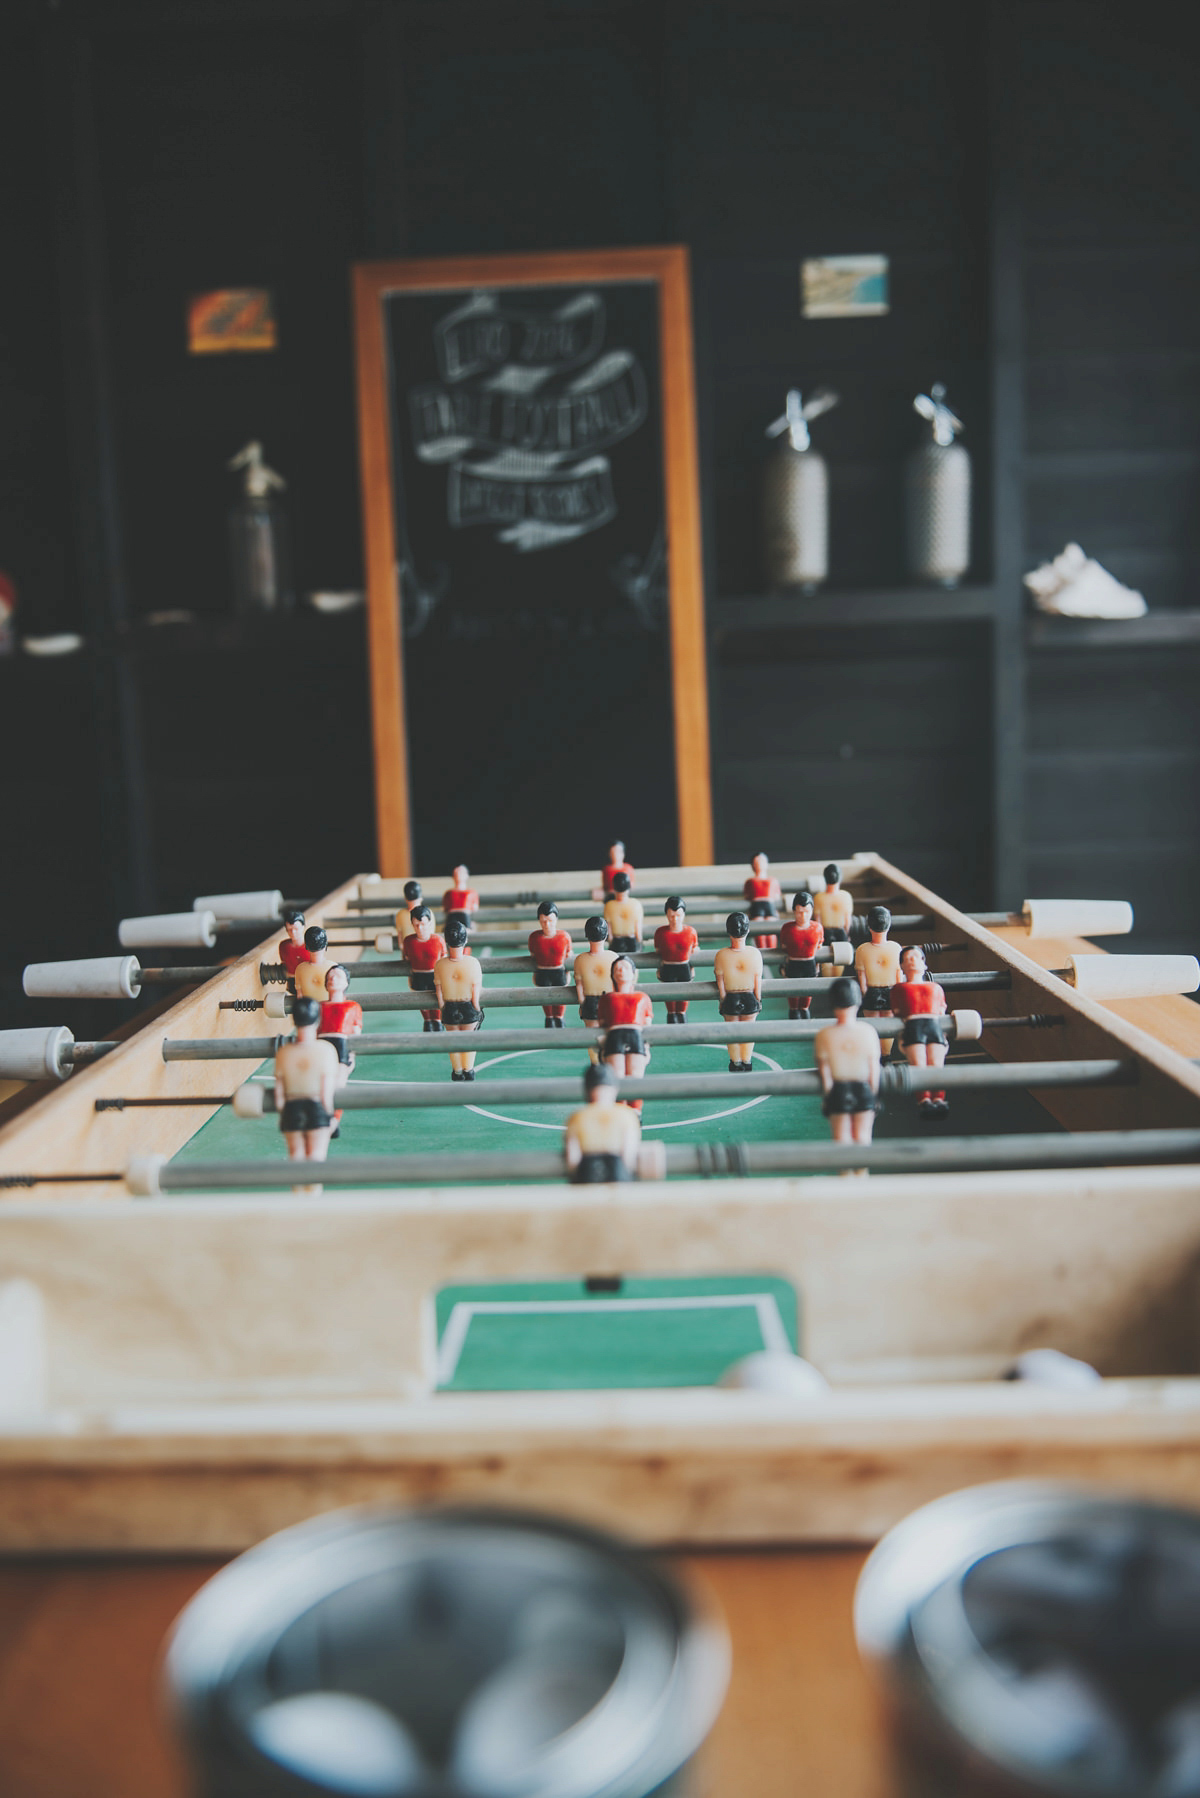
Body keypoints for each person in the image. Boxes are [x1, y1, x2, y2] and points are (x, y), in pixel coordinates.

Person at [814, 977, 882, 1159]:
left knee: (841, 1139)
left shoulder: (825, 1034)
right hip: (863, 1088)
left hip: (838, 1089)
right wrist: (873, 1093)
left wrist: (828, 1095)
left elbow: (825, 1071)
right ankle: (860, 1179)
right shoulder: (868, 1031)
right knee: (862, 1138)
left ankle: (847, 1178)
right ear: (858, 1002)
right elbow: (873, 1069)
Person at [274, 996, 340, 1165]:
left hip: (292, 1107)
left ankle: (298, 1190)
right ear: (318, 1020)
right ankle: (312, 1191)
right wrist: (330, 1116)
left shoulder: (284, 1052)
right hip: (316, 1106)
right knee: (316, 1156)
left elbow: (279, 1095)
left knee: (296, 1155)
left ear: (294, 1020)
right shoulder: (326, 1050)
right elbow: (326, 1093)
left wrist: (284, 1113)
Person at [890, 943, 949, 1116]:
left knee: (936, 1065)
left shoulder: (935, 988)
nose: (913, 961)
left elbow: (941, 1011)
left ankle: (938, 1098)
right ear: (902, 966)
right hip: (913, 1027)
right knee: (919, 1065)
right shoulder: (899, 989)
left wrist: (943, 1035)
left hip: (933, 1026)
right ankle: (924, 1100)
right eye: (908, 959)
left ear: (924, 963)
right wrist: (901, 1036)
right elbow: (897, 1012)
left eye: (917, 957)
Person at [564, 1062, 642, 1184]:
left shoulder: (577, 1116)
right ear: (615, 1089)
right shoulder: (626, 1115)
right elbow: (629, 1154)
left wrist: (575, 1176)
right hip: (617, 1171)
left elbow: (572, 1157)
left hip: (587, 1172)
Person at [598, 956, 654, 1101]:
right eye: (617, 968)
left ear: (634, 973)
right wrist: (603, 1047)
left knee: (635, 1078)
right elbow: (602, 1025)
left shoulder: (642, 997)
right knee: (616, 1078)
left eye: (625, 967)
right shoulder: (606, 999)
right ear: (612, 975)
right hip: (614, 1038)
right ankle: (620, 1110)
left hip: (635, 1037)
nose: (621, 971)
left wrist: (646, 1047)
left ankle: (636, 1112)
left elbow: (647, 1026)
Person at [435, 918, 484, 1080]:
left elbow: (439, 990)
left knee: (453, 1042)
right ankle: (468, 1069)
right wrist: (476, 1007)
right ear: (466, 940)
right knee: (469, 1040)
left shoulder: (440, 964)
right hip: (467, 1006)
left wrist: (443, 1007)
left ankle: (457, 1071)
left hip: (449, 1006)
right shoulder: (473, 963)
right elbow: (475, 990)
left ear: (446, 941)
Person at [713, 910, 762, 1072]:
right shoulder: (755, 954)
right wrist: (758, 999)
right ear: (748, 930)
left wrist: (722, 999)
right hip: (749, 996)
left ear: (728, 931)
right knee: (748, 1032)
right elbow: (757, 980)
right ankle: (746, 1060)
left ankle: (735, 1061)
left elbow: (720, 981)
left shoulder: (721, 955)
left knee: (731, 1033)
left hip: (730, 998)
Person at [319, 963, 363, 1138]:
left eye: (337, 976)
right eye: (330, 976)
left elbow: (356, 1034)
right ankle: (326, 1117)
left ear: (346, 982)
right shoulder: (319, 1007)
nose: (332, 979)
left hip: (341, 1047)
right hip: (321, 1049)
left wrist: (351, 1054)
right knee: (321, 1087)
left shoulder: (352, 1007)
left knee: (337, 1088)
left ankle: (333, 1120)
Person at [854, 905, 901, 1052]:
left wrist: (864, 992)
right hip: (890, 991)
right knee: (886, 1025)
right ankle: (884, 1055)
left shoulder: (862, 949)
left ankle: (878, 1054)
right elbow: (899, 976)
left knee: (873, 1024)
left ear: (869, 926)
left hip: (873, 991)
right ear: (889, 926)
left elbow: (861, 977)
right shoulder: (896, 948)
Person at [574, 915, 617, 1063]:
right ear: (606, 935)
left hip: (592, 1001)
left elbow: (579, 987)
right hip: (608, 1001)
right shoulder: (613, 957)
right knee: (608, 1033)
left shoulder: (580, 959)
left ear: (587, 935)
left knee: (593, 1035)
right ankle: (604, 1060)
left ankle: (597, 1062)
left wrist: (582, 1004)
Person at [779, 890, 824, 1020]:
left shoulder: (817, 928)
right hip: (793, 964)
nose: (803, 916)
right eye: (799, 912)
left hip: (809, 964)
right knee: (792, 994)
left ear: (812, 911)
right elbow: (784, 946)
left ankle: (804, 1014)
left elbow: (820, 944)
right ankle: (794, 1016)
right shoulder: (787, 929)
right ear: (794, 911)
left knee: (807, 995)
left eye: (807, 912)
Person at [654, 896, 698, 1023]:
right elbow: (658, 952)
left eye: (678, 915)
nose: (675, 919)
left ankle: (681, 1013)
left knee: (685, 993)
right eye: (671, 916)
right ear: (666, 916)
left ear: (684, 914)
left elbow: (694, 951)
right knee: (668, 992)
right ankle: (671, 1014)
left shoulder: (691, 932)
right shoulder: (660, 933)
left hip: (684, 966)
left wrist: (692, 968)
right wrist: (659, 968)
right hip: (668, 966)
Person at [528, 900, 573, 1028]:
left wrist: (567, 972)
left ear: (556, 920)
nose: (547, 925)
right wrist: (535, 972)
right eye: (543, 921)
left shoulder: (564, 937)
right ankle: (549, 1018)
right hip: (542, 971)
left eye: (550, 921)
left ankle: (559, 1018)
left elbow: (569, 955)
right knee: (545, 996)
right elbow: (533, 955)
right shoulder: (534, 937)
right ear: (539, 921)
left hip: (559, 971)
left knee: (560, 996)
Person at [404, 905, 448, 1030]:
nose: (420, 928)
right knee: (421, 1001)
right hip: (418, 976)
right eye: (416, 925)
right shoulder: (408, 941)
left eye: (423, 924)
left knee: (436, 999)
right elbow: (406, 959)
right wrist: (410, 977)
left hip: (435, 976)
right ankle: (427, 1020)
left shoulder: (438, 941)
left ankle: (437, 1020)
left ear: (429, 923)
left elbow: (444, 961)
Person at [813, 863, 853, 972]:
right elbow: (847, 920)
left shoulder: (819, 897)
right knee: (838, 959)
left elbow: (818, 920)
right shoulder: (845, 896)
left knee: (828, 959)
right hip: (838, 931)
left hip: (826, 931)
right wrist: (847, 933)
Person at [743, 851, 783, 951]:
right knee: (760, 932)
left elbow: (777, 896)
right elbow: (747, 896)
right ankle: (761, 953)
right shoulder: (750, 881)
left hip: (770, 906)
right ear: (753, 865)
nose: (759, 864)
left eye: (761, 861)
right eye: (756, 861)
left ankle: (771, 952)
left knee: (771, 932)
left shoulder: (773, 880)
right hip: (757, 907)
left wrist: (777, 912)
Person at [604, 870, 644, 953]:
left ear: (614, 888)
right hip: (631, 939)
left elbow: (609, 928)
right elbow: (638, 930)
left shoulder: (609, 905)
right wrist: (639, 939)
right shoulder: (635, 904)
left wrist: (610, 939)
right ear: (629, 887)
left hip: (616, 940)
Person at [277, 908, 311, 993]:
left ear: (303, 927)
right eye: (289, 929)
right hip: (291, 982)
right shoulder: (283, 946)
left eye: (296, 928)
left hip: (309, 981)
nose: (293, 932)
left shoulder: (310, 947)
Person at [294, 926, 331, 1003]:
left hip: (310, 1008)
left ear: (306, 946)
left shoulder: (300, 968)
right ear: (325, 945)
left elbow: (299, 995)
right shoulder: (333, 967)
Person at [442, 864, 480, 935]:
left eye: (461, 873)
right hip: (452, 917)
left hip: (466, 917)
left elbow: (475, 909)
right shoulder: (449, 893)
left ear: (466, 876)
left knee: (466, 933)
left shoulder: (472, 892)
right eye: (457, 873)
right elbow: (445, 909)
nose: (459, 875)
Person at [394, 880, 424, 951]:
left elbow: (401, 943)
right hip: (423, 951)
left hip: (409, 952)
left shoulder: (400, 914)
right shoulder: (429, 913)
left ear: (405, 898)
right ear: (421, 897)